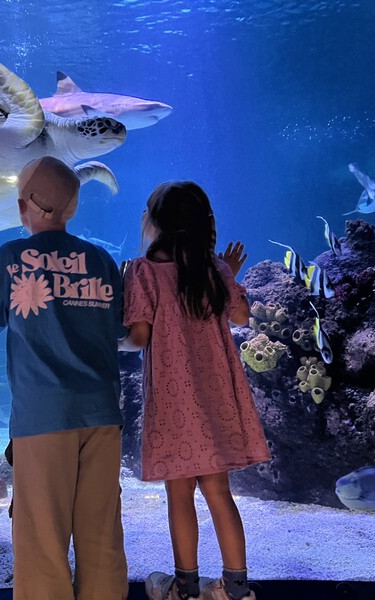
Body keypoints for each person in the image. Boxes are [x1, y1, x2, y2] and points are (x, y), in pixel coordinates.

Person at [0, 156, 129, 600]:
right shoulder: (101, 260)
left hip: (42, 417)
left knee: (42, 537)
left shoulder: (10, 258)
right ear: (74, 207)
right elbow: (119, 330)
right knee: (101, 533)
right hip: (102, 414)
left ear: (22, 207)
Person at [119, 181, 271, 600]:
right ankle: (235, 588)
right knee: (219, 493)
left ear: (156, 223)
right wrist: (227, 275)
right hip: (216, 399)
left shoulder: (143, 272)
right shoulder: (214, 270)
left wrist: (112, 344)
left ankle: (185, 587)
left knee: (179, 493)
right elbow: (241, 317)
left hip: (173, 403)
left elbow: (139, 337)